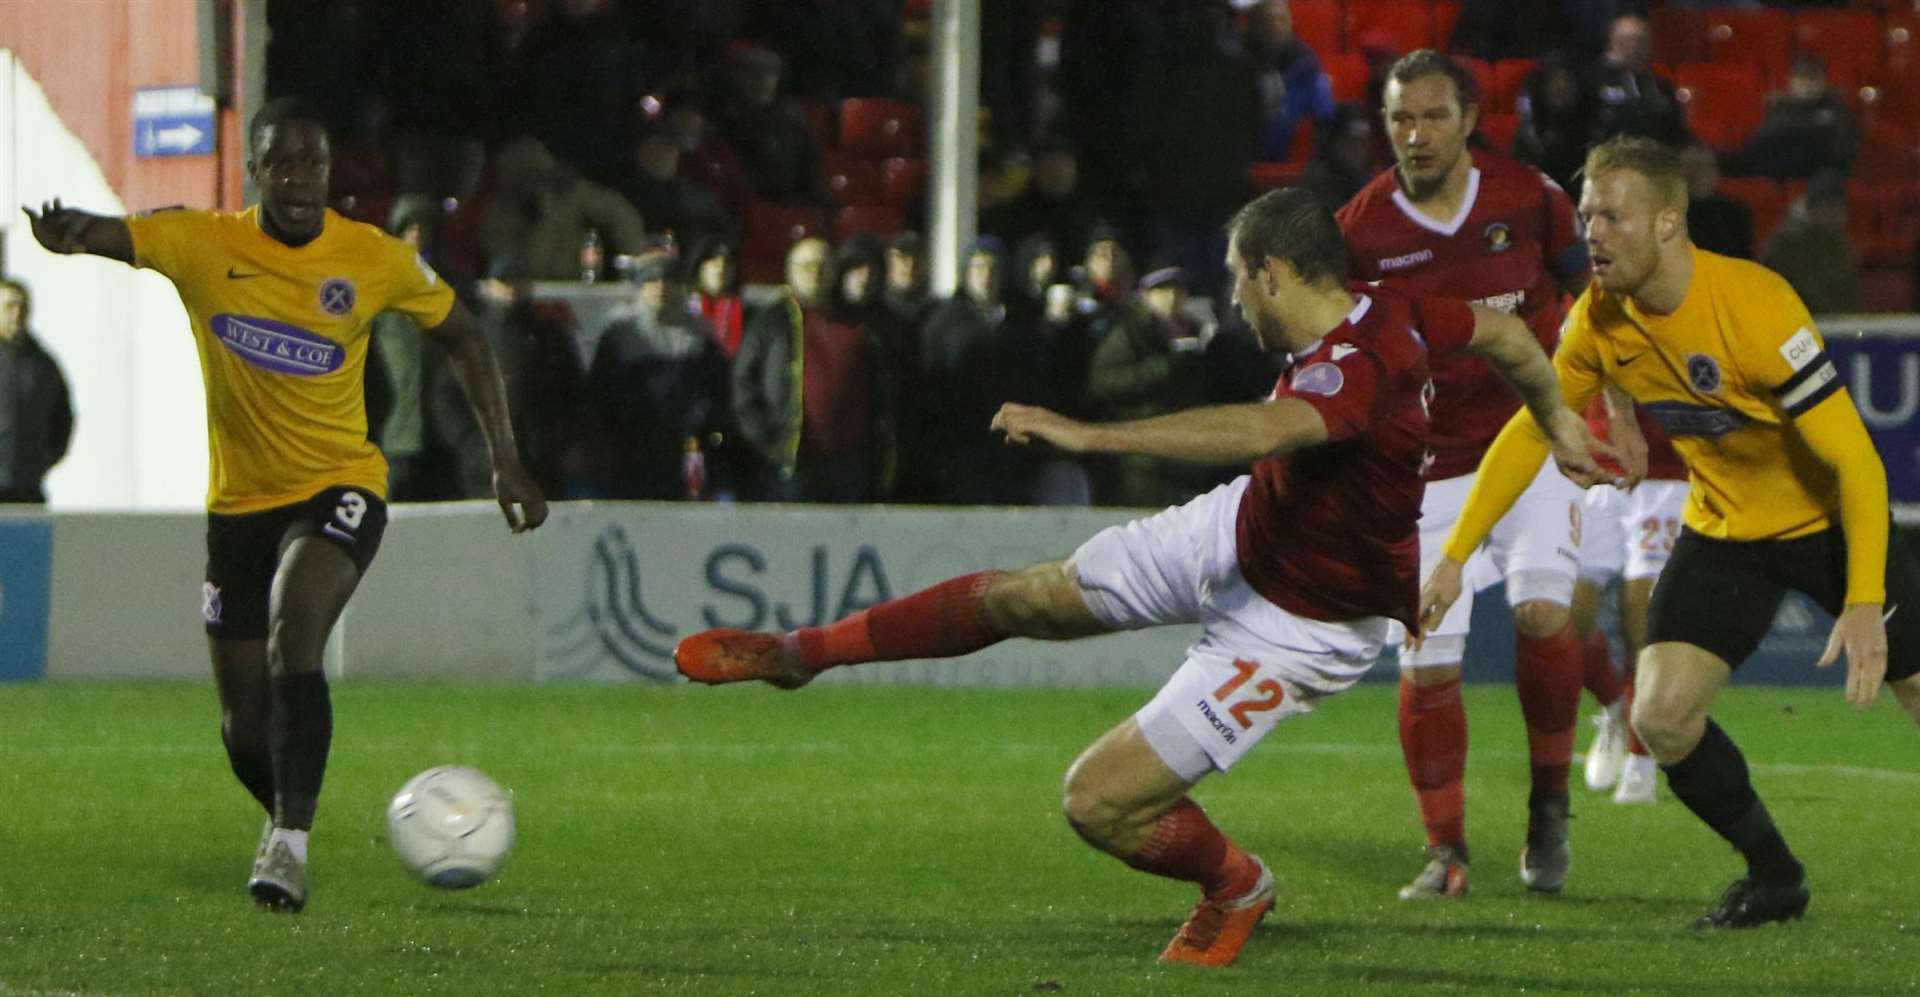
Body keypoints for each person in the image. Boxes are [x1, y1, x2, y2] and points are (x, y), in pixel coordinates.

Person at [674, 187, 1602, 967]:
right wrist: (1558, 421)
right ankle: (802, 652)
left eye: (1237, 278)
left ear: (1270, 272)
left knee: (1099, 802)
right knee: (1023, 596)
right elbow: (1506, 336)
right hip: (1239, 533)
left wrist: (1089, 436)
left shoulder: (1354, 368)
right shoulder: (1391, 309)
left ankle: (1237, 883)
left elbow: (1260, 430)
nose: (1233, 298)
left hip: (1305, 623)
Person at [20, 97, 548, 913]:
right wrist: (69, 232)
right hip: (238, 505)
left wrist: (504, 461)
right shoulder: (206, 242)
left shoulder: (370, 258)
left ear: (331, 172)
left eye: (315, 162)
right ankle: (288, 814)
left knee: (292, 625)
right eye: (284, 162)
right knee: (241, 728)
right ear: (256, 171)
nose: (301, 178)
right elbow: (114, 234)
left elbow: (464, 336)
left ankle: (289, 845)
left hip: (341, 483)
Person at [1416, 136, 1920, 930]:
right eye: (1586, 215)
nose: (1594, 233)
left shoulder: (1756, 305)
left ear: (1668, 225)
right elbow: (1528, 430)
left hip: (1829, 522)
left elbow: (1858, 463)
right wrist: (1452, 556)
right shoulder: (1600, 318)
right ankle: (1774, 875)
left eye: (1613, 216)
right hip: (1723, 532)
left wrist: (1862, 600)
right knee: (1661, 716)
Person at [1336, 50, 1601, 900]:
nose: (1415, 135)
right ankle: (1447, 852)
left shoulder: (1531, 198)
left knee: (1541, 608)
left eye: (1433, 116)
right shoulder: (1360, 232)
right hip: (1425, 467)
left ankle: (1550, 805)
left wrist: (1604, 408)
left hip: (1528, 439)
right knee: (1427, 660)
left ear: (1470, 120)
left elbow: (1589, 296)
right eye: (1399, 119)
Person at [1571, 386, 1688, 806]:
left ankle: (1641, 762)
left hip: (1665, 473)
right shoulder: (1576, 315)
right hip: (1597, 466)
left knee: (1642, 620)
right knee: (1564, 621)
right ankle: (1616, 701)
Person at [0, 277, 74, 503]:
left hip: (27, 491)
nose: (17, 314)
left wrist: (38, 462)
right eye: (9, 306)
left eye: (23, 307)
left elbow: (62, 421)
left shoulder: (44, 366)